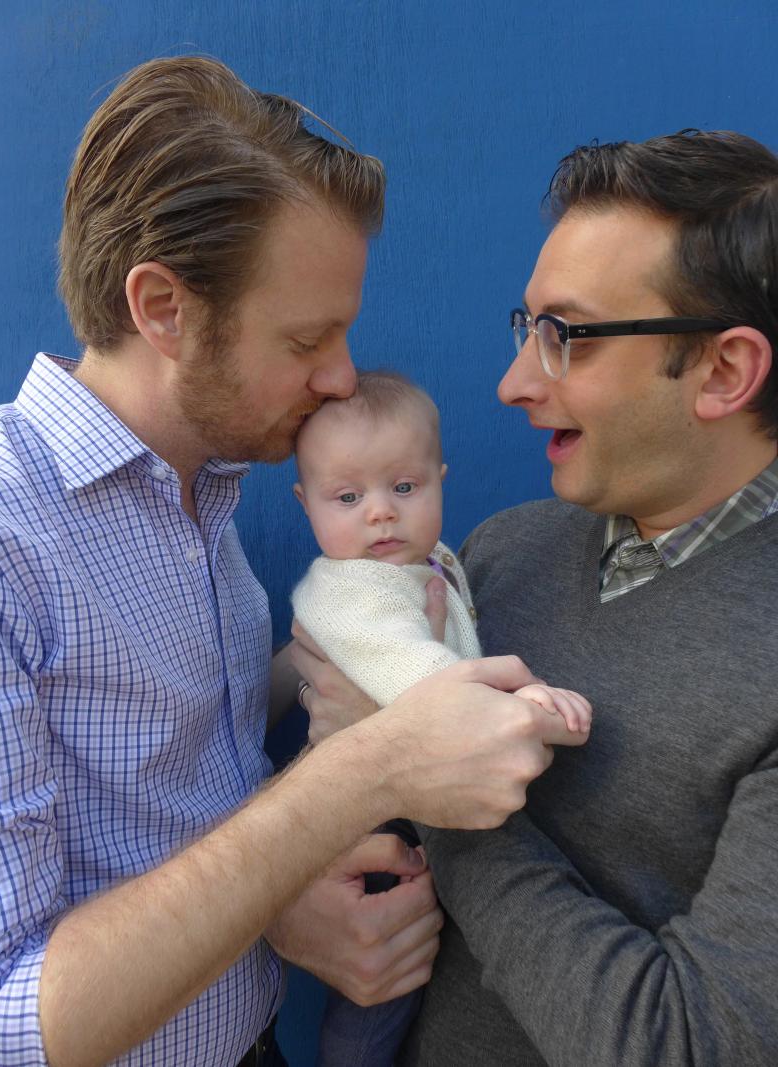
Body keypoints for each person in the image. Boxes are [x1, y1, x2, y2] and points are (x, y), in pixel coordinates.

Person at [0, 56, 589, 1067]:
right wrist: (371, 765)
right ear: (163, 308)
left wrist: (273, 913)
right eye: (307, 337)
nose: (342, 375)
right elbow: (6, 1024)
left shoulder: (205, 495)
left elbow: (174, 819)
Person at [294, 128, 778, 1066]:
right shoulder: (501, 549)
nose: (516, 384)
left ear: (724, 370)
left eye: (568, 337)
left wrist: (421, 762)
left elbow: (691, 1046)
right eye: (528, 330)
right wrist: (292, 904)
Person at [289, 370, 591, 1066]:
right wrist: (518, 704)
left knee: (424, 966)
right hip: (372, 820)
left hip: (422, 795)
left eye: (404, 487)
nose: (381, 514)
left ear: (440, 477)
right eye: (347, 496)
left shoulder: (436, 559)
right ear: (306, 504)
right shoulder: (349, 589)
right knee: (381, 984)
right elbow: (410, 674)